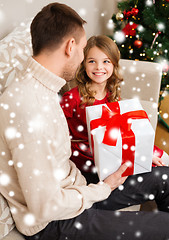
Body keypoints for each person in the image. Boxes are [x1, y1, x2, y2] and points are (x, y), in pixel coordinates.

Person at [0, 3, 169, 240]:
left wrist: (101, 186)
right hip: (56, 221)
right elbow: (45, 207)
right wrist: (101, 189)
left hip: (78, 194)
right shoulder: (29, 108)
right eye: (82, 49)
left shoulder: (46, 89)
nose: (82, 57)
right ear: (70, 46)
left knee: (164, 178)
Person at [60, 35, 169, 183]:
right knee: (158, 171)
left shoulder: (111, 95)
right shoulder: (72, 98)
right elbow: (55, 132)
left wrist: (143, 154)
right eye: (92, 61)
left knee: (161, 158)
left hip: (112, 151)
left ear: (114, 65)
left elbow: (118, 136)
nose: (99, 67)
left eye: (106, 61)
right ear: (84, 64)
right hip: (90, 161)